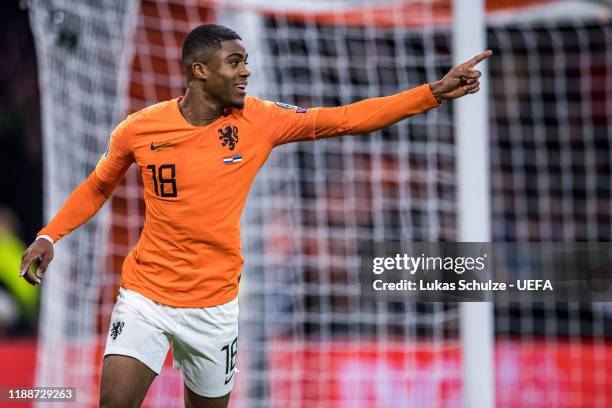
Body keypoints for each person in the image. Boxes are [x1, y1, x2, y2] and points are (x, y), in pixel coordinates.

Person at [19, 24, 491, 408]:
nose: (248, 70)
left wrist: (431, 92)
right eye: (236, 62)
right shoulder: (140, 129)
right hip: (146, 297)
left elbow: (345, 118)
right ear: (199, 71)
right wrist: (51, 235)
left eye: (246, 60)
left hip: (214, 307)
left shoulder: (261, 120)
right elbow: (98, 185)